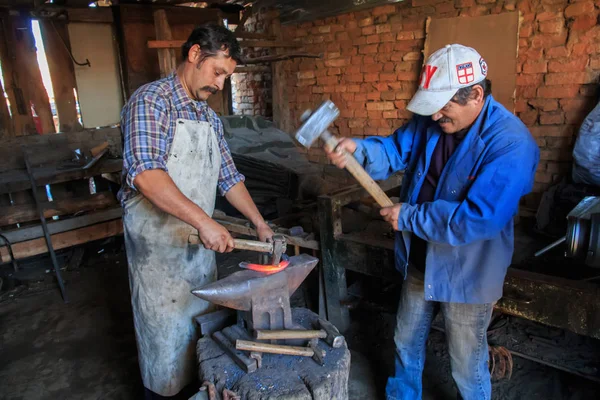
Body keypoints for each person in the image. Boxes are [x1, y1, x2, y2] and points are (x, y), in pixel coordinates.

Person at [326, 44, 539, 400]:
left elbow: (479, 219)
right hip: (420, 258)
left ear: (476, 94)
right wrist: (359, 151)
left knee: (466, 362)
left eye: (444, 106)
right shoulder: (431, 121)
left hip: (469, 269)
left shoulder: (511, 144)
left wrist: (408, 216)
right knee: (405, 341)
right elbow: (394, 150)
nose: (436, 116)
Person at [118, 24, 274, 399]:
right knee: (165, 357)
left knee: (200, 344)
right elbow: (146, 175)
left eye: (227, 77)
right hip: (158, 260)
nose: (220, 84)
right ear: (194, 55)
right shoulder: (151, 101)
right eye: (218, 72)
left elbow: (229, 178)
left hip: (199, 255)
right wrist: (205, 221)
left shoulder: (208, 118)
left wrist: (259, 223)